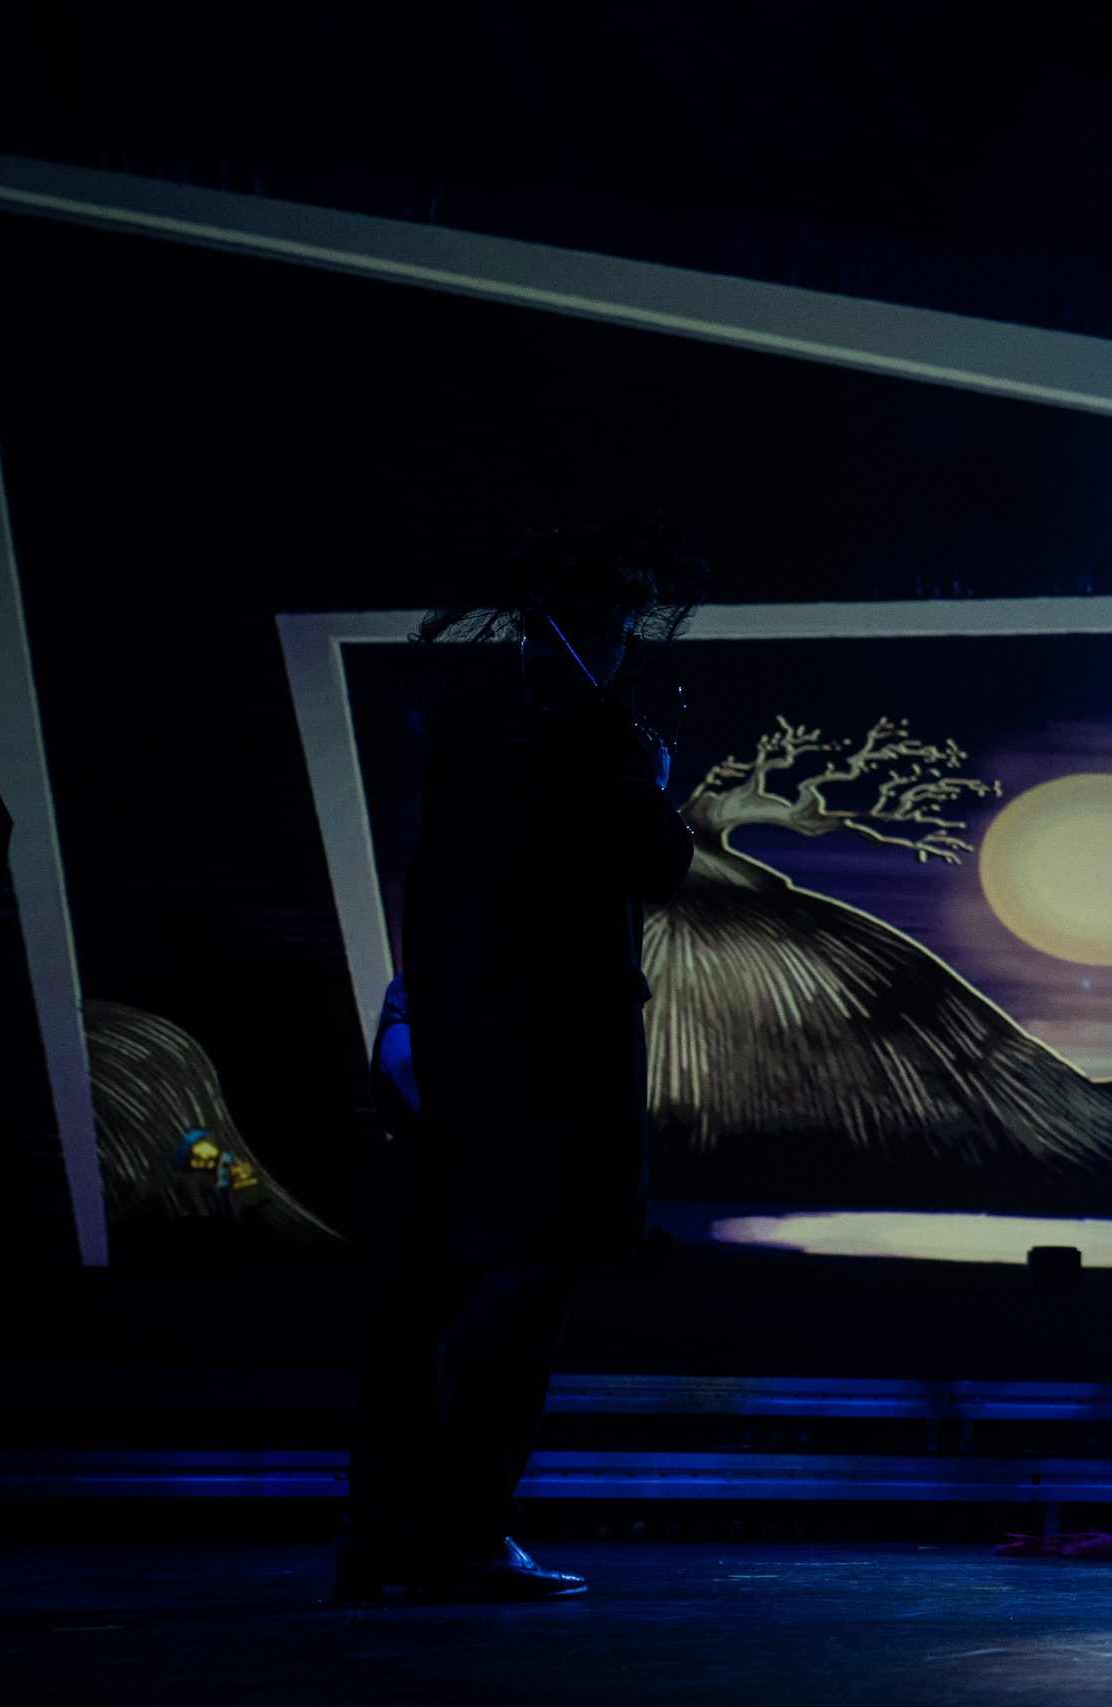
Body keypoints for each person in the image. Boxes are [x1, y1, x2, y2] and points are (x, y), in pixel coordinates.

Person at [338, 524, 702, 1601]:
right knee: (521, 1289)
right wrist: (649, 778)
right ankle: (459, 1532)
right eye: (624, 618)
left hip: (455, 1044)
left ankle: (384, 1531)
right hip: (544, 1064)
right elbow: (657, 861)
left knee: (428, 1297)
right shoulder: (589, 734)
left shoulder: (468, 723)